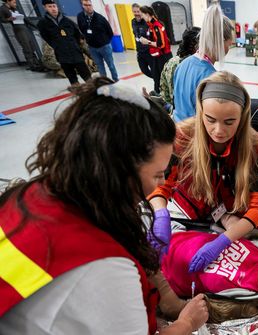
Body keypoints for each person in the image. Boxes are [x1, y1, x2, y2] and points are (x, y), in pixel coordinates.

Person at [0, 77, 208, 334]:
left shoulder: (33, 194)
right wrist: (186, 324)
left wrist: (165, 293)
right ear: (118, 173)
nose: (162, 183)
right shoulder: (104, 270)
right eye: (156, 175)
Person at [148, 71, 258, 273]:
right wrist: (160, 214)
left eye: (229, 122)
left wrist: (224, 240)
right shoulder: (181, 137)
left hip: (232, 214)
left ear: (243, 116)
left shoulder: (256, 147)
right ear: (200, 111)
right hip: (190, 212)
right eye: (210, 119)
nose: (218, 130)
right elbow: (159, 185)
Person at [156, 231, 258, 323]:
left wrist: (154, 275)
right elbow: (234, 223)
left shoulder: (243, 300)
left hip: (156, 271)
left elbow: (177, 308)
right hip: (167, 237)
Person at [172, 4, 234, 121]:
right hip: (193, 134)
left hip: (178, 129)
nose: (228, 49)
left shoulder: (183, 64)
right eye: (229, 44)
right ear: (220, 41)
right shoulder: (210, 77)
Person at [37, 0, 91, 85]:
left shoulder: (67, 21)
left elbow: (78, 35)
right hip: (62, 54)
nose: (53, 9)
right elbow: (46, 38)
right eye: (50, 7)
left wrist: (75, 45)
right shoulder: (42, 23)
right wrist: (57, 46)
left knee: (85, 73)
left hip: (75, 52)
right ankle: (77, 89)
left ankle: (92, 88)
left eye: (54, 6)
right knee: (71, 75)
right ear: (45, 8)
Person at [77, 0, 119, 82]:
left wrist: (105, 41)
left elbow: (109, 32)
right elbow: (82, 29)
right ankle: (104, 82)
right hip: (92, 47)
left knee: (111, 65)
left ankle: (116, 80)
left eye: (89, 5)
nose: (88, 7)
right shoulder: (80, 17)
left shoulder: (100, 18)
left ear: (92, 5)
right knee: (100, 66)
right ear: (82, 5)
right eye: (85, 5)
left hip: (104, 46)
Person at [160, 26, 201, 109]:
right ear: (195, 45)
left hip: (174, 112)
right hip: (190, 114)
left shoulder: (170, 62)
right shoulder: (194, 66)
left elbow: (164, 92)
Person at [0, 0, 44, 71]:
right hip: (18, 30)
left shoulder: (15, 8)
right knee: (26, 47)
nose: (15, 4)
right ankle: (32, 65)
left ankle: (36, 63)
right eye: (14, 2)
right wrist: (9, 19)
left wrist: (36, 27)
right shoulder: (2, 9)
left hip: (24, 28)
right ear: (8, 1)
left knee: (31, 46)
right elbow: (2, 20)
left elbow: (25, 19)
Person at [138, 5, 173, 94]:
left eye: (142, 14)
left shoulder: (157, 26)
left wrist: (147, 42)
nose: (141, 17)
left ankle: (164, 98)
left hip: (164, 57)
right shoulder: (151, 26)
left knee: (163, 79)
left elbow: (161, 44)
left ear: (147, 14)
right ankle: (158, 96)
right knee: (157, 79)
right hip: (156, 56)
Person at [132, 3, 153, 78]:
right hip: (140, 52)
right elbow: (135, 33)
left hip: (149, 51)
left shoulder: (146, 22)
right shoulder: (133, 22)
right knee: (144, 70)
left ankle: (157, 82)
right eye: (134, 12)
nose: (136, 14)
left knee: (154, 70)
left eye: (138, 11)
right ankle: (156, 78)